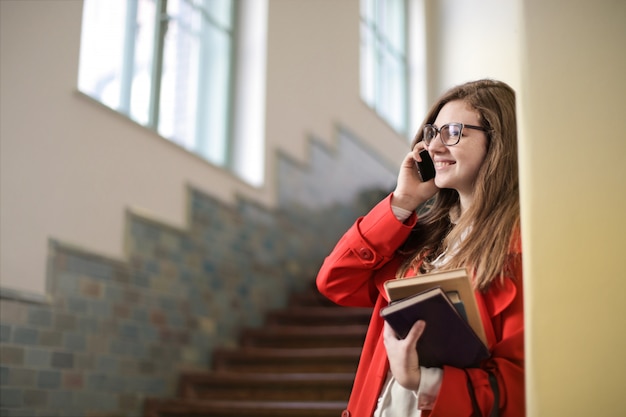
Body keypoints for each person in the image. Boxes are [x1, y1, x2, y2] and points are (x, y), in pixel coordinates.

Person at [316, 79, 524, 417]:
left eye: (454, 132)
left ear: (498, 142)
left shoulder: (518, 249)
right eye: (432, 133)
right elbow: (336, 281)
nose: (436, 147)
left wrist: (425, 381)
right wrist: (403, 201)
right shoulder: (421, 244)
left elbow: (521, 384)